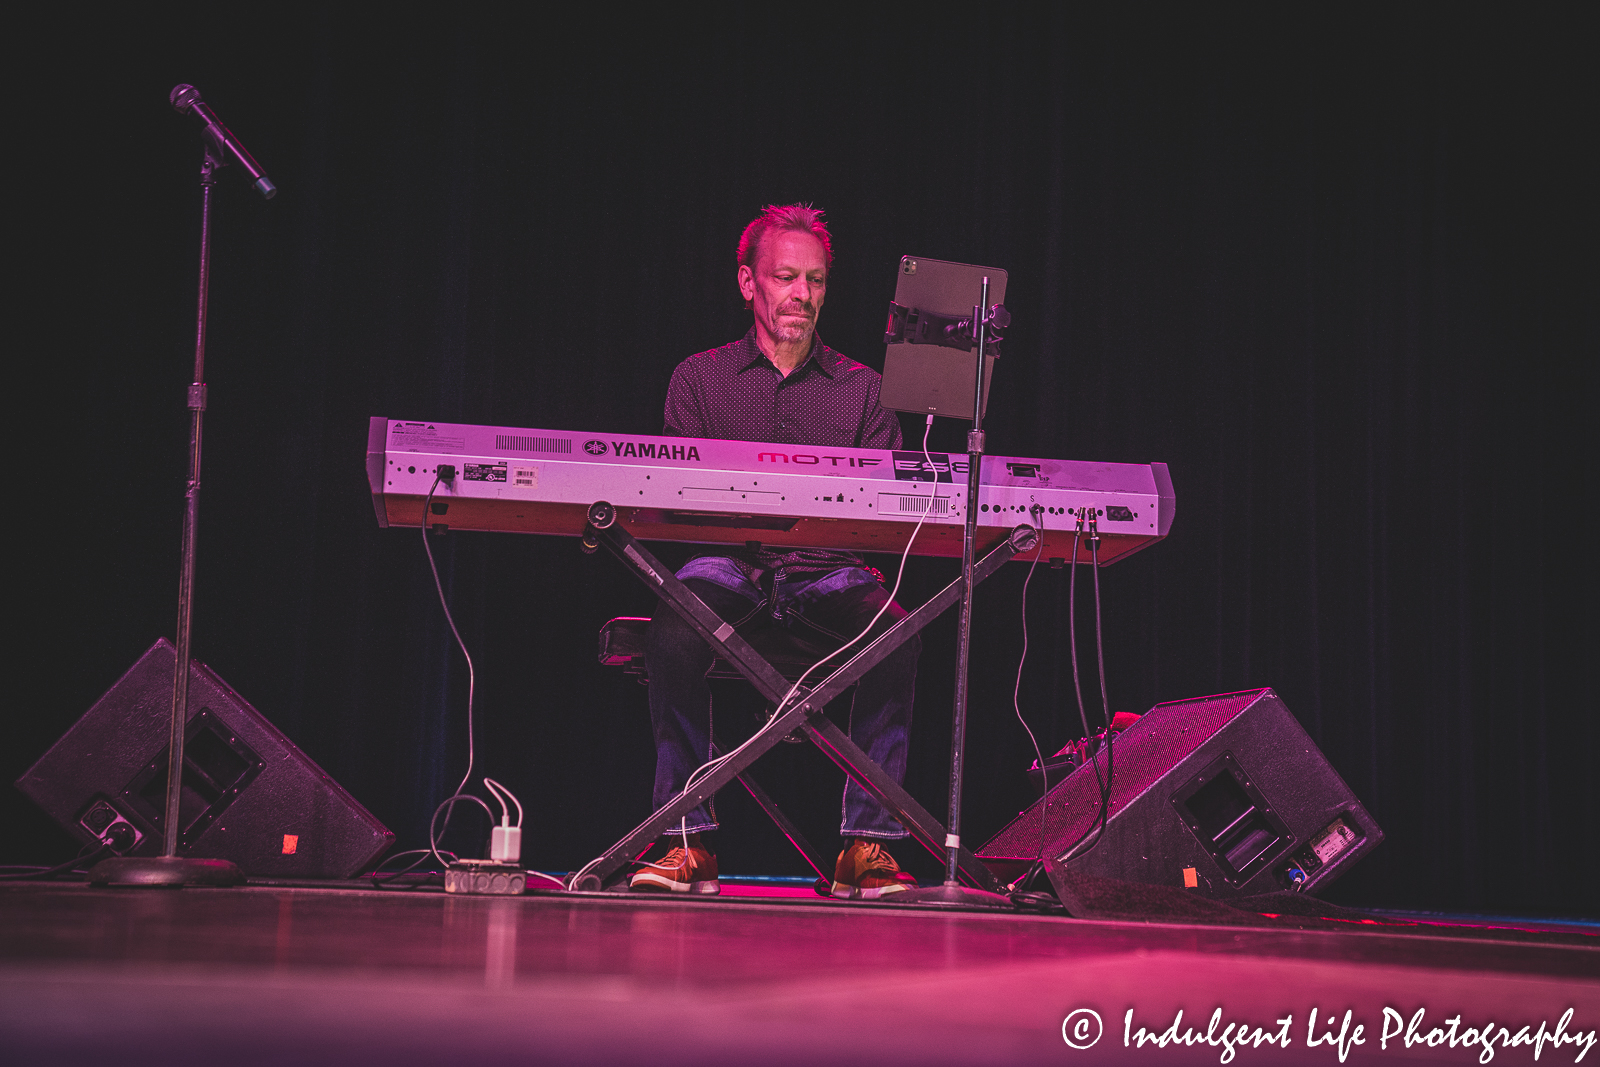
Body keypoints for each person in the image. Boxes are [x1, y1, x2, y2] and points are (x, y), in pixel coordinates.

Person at [631, 203, 921, 900]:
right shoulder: (697, 380)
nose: (803, 293)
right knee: (675, 621)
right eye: (786, 276)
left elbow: (881, 513)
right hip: (729, 567)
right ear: (747, 284)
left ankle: (869, 846)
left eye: (815, 279)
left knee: (898, 628)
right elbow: (678, 502)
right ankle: (684, 841)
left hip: (829, 574)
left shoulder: (866, 391)